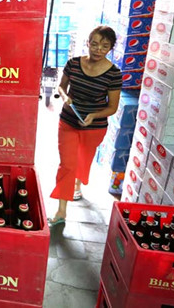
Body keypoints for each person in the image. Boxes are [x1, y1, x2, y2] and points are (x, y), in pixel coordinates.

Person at [47, 26, 122, 227]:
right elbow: (61, 86)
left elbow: (112, 107)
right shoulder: (73, 64)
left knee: (83, 160)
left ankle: (77, 184)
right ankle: (61, 211)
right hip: (68, 121)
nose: (98, 49)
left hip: (94, 127)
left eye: (105, 46)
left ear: (111, 48)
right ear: (88, 43)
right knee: (67, 164)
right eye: (94, 44)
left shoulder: (114, 74)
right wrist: (65, 96)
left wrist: (93, 116)